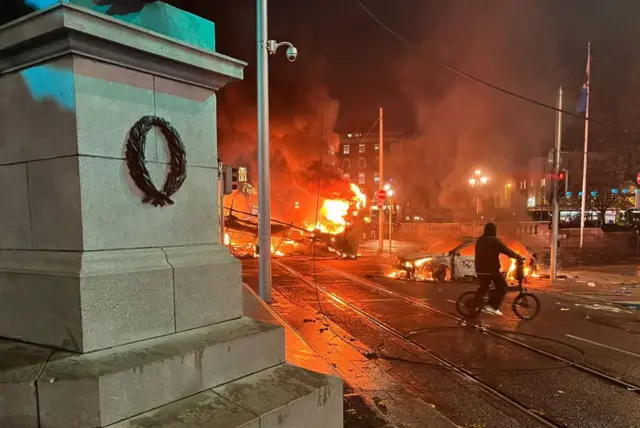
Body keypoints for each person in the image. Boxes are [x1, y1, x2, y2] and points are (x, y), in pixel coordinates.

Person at [474, 222, 524, 315]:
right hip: (491, 270)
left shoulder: (480, 240)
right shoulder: (494, 241)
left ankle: (473, 302)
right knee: (502, 286)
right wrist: (517, 256)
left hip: (479, 269)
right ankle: (493, 306)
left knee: (483, 288)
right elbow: (507, 251)